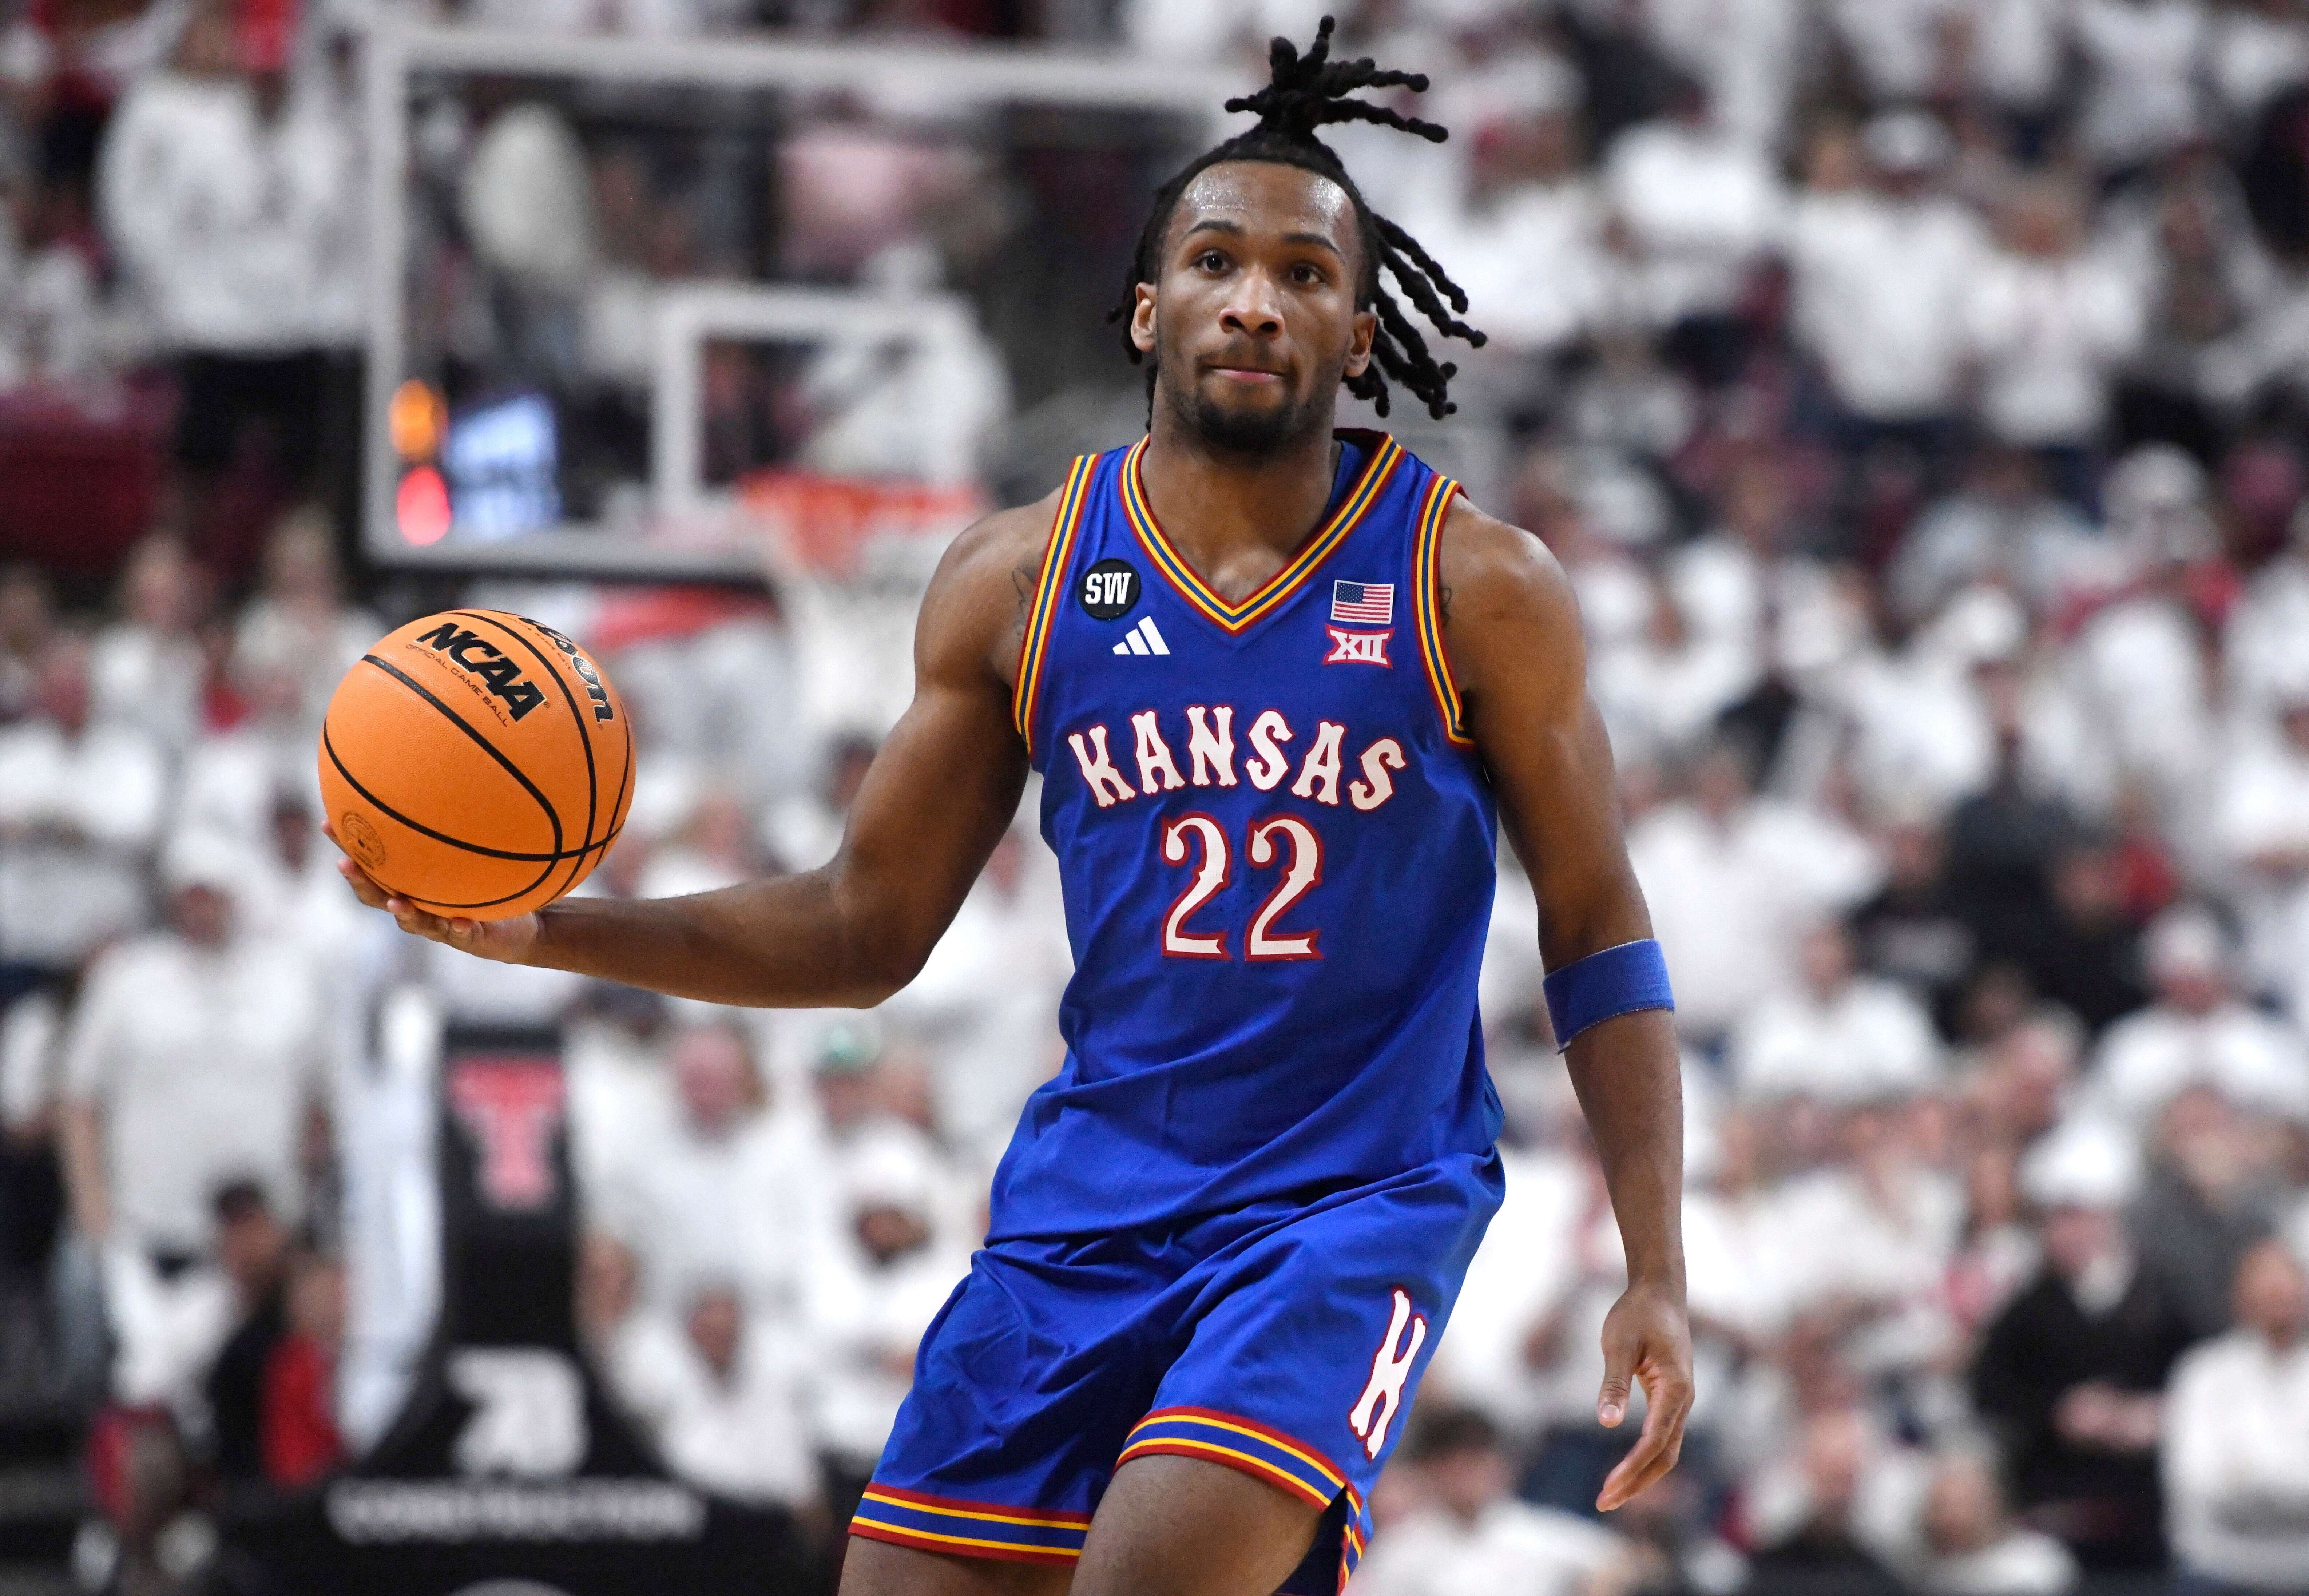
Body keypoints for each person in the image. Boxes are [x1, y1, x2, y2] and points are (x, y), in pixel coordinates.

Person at [332, 21, 1694, 1596]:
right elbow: (860, 928)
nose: (1258, 296)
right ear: (1146, 307)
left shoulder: (1477, 585)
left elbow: (1596, 923)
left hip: (1344, 1216)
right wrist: (554, 927)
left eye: (1310, 275)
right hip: (1081, 1214)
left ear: (1361, 332)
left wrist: (1654, 1261)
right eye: (1216, 259)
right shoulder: (1016, 578)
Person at [2162, 1239, 2309, 1594]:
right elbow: (2197, 1483)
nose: (2279, 1303)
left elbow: (2234, 1485)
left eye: (2287, 1291)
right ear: (2240, 1299)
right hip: (2219, 1572)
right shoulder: (2203, 1375)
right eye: (2266, 1292)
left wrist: (2248, 1477)